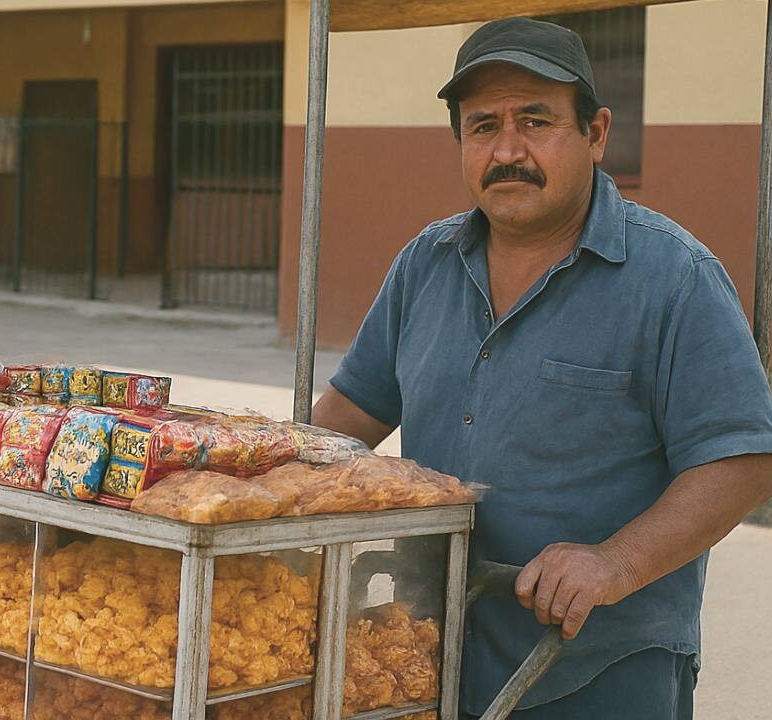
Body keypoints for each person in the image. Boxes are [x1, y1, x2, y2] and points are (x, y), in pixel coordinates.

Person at [311, 17, 772, 720]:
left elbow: (742, 460)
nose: (507, 150)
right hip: (426, 661)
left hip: (598, 673)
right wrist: (250, 482)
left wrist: (612, 563)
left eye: (535, 121)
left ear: (596, 133)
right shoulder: (424, 265)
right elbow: (347, 416)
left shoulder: (674, 278)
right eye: (482, 125)